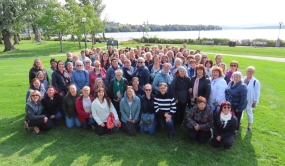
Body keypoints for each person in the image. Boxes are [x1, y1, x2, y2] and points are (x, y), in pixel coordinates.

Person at [243, 66, 261, 131]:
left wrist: (255, 102)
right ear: (246, 71)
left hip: (250, 100)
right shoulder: (243, 79)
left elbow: (257, 93)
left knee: (249, 112)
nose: (249, 72)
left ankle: (249, 125)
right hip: (242, 99)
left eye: (251, 71)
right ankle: (239, 122)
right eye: (248, 71)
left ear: (253, 72)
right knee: (241, 111)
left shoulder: (255, 82)